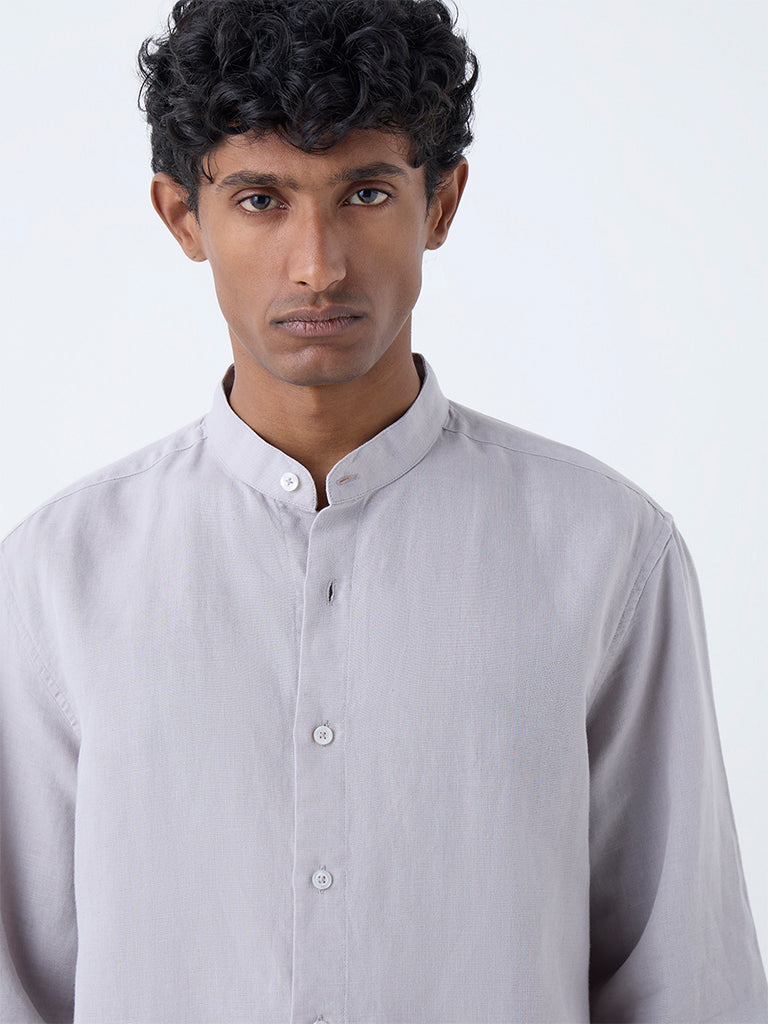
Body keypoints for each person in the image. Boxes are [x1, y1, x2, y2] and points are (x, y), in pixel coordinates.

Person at [1, 0, 766, 1020]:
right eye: (262, 199)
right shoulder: (54, 578)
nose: (318, 265)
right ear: (183, 215)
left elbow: (688, 980)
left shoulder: (607, 550)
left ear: (441, 203)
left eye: (365, 193)